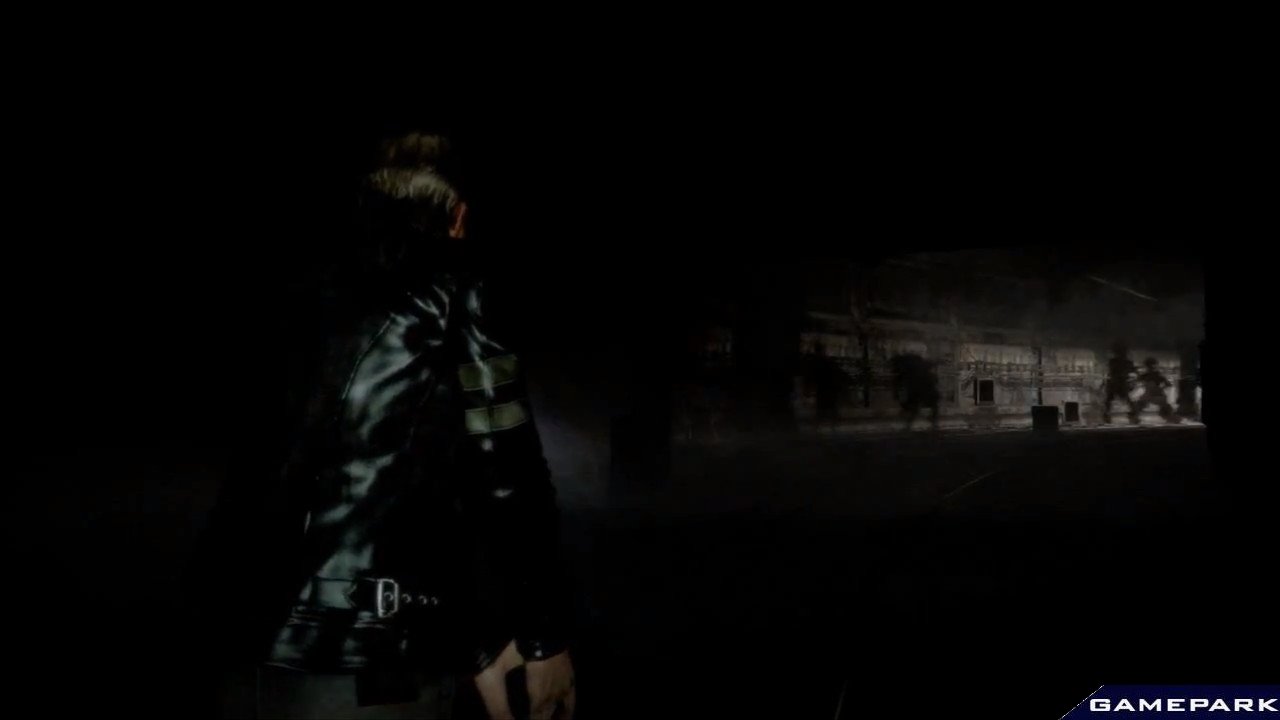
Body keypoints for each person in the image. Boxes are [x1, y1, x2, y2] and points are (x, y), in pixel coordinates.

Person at [250, 132, 576, 718]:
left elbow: (385, 485)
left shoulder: (301, 298)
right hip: (369, 664)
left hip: (244, 639)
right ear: (459, 216)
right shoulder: (456, 292)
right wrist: (543, 636)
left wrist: (474, 638)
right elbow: (509, 477)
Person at [890, 353, 940, 432]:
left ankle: (909, 424)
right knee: (929, 406)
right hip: (923, 388)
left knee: (916, 407)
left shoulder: (908, 367)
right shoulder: (918, 366)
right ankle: (932, 422)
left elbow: (900, 379)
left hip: (918, 388)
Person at [1101, 342, 1139, 425]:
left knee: (1110, 400)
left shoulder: (1114, 362)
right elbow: (1132, 372)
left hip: (1116, 383)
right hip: (1118, 384)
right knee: (1124, 400)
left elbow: (1110, 373)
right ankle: (1133, 415)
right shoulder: (1123, 362)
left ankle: (1107, 415)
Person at [1137, 357, 1178, 423]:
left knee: (1165, 407)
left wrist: (1159, 388)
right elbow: (1168, 384)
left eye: (1152, 365)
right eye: (1150, 365)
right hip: (1152, 395)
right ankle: (1170, 417)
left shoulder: (1153, 375)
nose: (1151, 367)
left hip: (1155, 395)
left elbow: (1168, 384)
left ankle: (1170, 417)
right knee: (1140, 404)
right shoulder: (1148, 375)